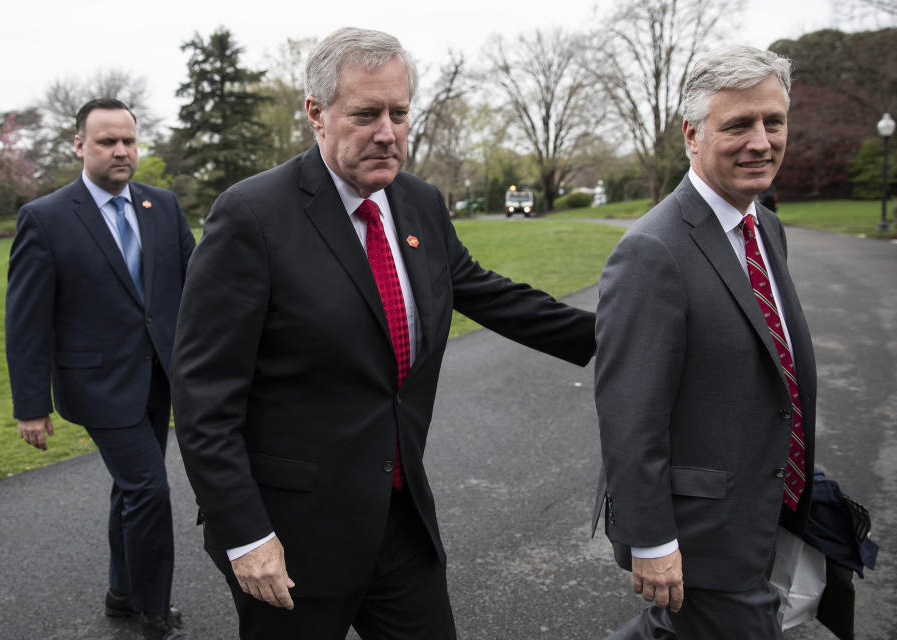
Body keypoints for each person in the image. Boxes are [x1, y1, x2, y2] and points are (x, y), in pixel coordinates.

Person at [170, 27, 595, 640]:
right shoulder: (252, 217)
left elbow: (489, 294)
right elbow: (203, 397)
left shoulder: (418, 201)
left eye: (399, 113)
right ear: (317, 114)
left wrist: (617, 339)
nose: (388, 133)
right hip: (291, 536)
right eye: (366, 114)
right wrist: (246, 534)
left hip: (398, 516)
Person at [591, 46, 816, 639]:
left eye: (774, 122)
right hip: (704, 533)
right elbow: (629, 414)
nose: (762, 142)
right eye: (738, 124)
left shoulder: (764, 224)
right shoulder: (652, 250)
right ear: (692, 134)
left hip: (762, 505)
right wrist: (652, 539)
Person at [5, 98, 195, 640]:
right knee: (150, 491)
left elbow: (196, 280)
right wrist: (30, 405)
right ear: (79, 146)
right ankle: (153, 611)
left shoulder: (162, 204)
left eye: (128, 141)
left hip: (161, 378)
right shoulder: (44, 218)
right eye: (107, 141)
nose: (120, 151)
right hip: (96, 385)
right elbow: (26, 321)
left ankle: (120, 593)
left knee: (132, 490)